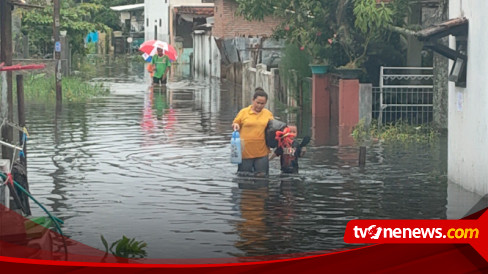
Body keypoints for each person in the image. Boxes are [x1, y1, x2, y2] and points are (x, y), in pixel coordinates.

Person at [232, 88, 274, 176]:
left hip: (262, 152)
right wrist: (236, 125)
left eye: (262, 104)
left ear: (265, 103)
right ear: (253, 100)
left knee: (262, 176)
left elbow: (273, 129)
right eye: (257, 103)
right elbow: (236, 122)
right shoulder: (244, 112)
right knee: (244, 176)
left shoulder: (268, 114)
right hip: (245, 152)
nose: (259, 106)